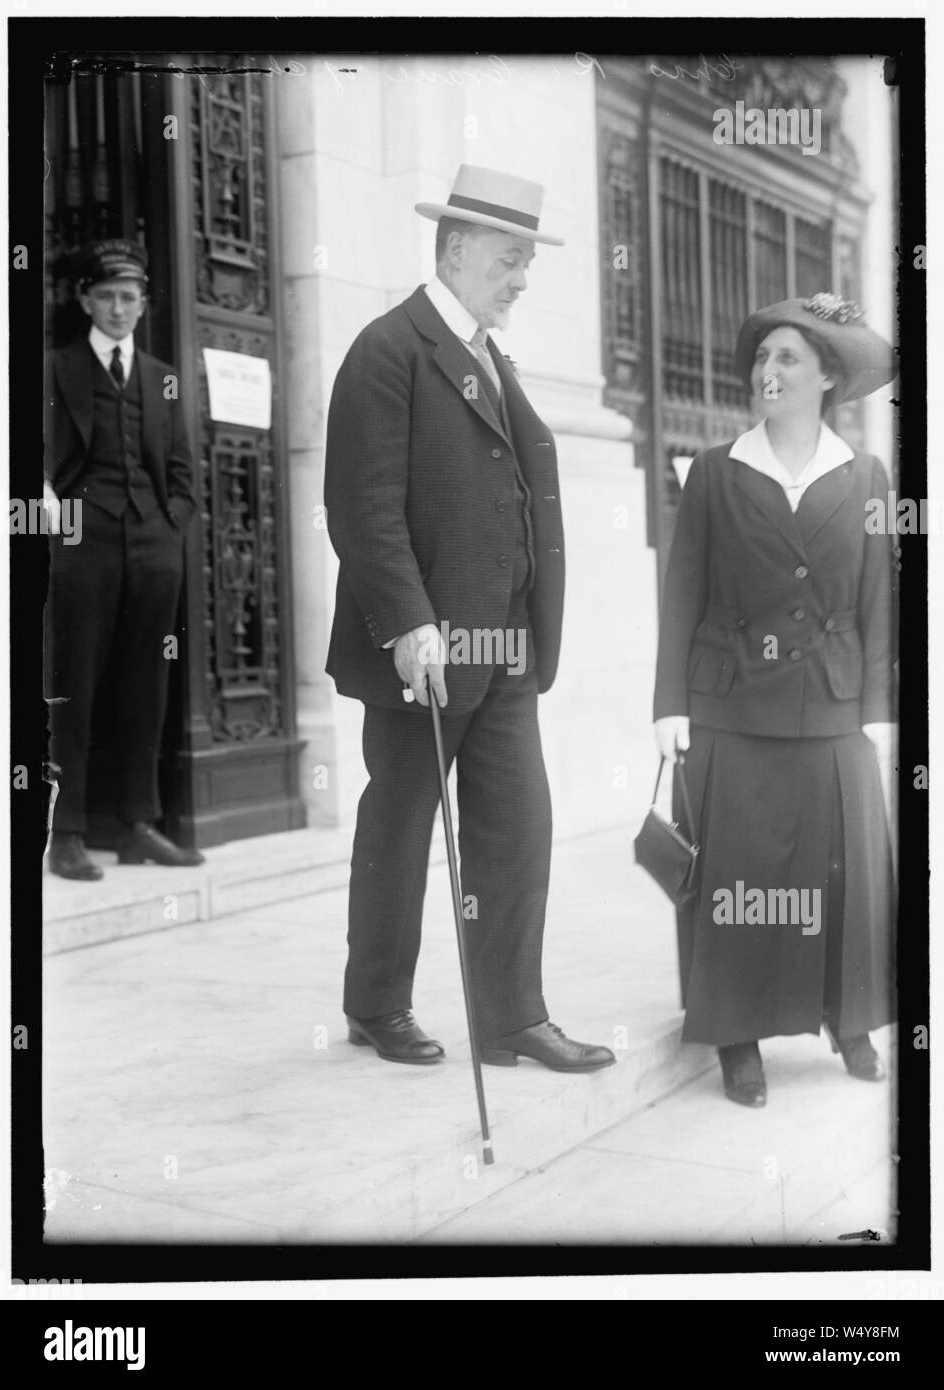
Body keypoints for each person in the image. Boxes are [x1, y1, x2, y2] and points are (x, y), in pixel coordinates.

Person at [324, 164, 614, 1072]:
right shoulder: (388, 350)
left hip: (505, 646)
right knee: (402, 826)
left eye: (526, 262)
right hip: (427, 653)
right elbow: (362, 507)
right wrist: (409, 623)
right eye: (508, 260)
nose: (522, 280)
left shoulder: (492, 356)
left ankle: (511, 1018)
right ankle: (377, 1003)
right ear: (454, 251)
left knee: (518, 828)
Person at [652, 292, 897, 1106]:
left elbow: (879, 600)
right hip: (729, 704)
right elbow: (681, 592)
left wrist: (879, 710)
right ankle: (737, 1034)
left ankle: (848, 1018)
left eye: (788, 357)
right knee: (740, 876)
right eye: (762, 356)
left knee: (841, 870)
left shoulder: (866, 475)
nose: (769, 369)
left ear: (827, 377)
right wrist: (669, 706)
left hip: (832, 702)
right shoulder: (715, 471)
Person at [44, 238, 204, 879]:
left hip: (153, 547)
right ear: (85, 300)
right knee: (74, 687)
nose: (118, 308)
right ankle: (66, 832)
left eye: (129, 297)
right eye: (107, 296)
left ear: (143, 304)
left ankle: (139, 825)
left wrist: (171, 526)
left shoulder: (163, 377)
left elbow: (183, 469)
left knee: (147, 687)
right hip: (82, 545)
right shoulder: (54, 368)